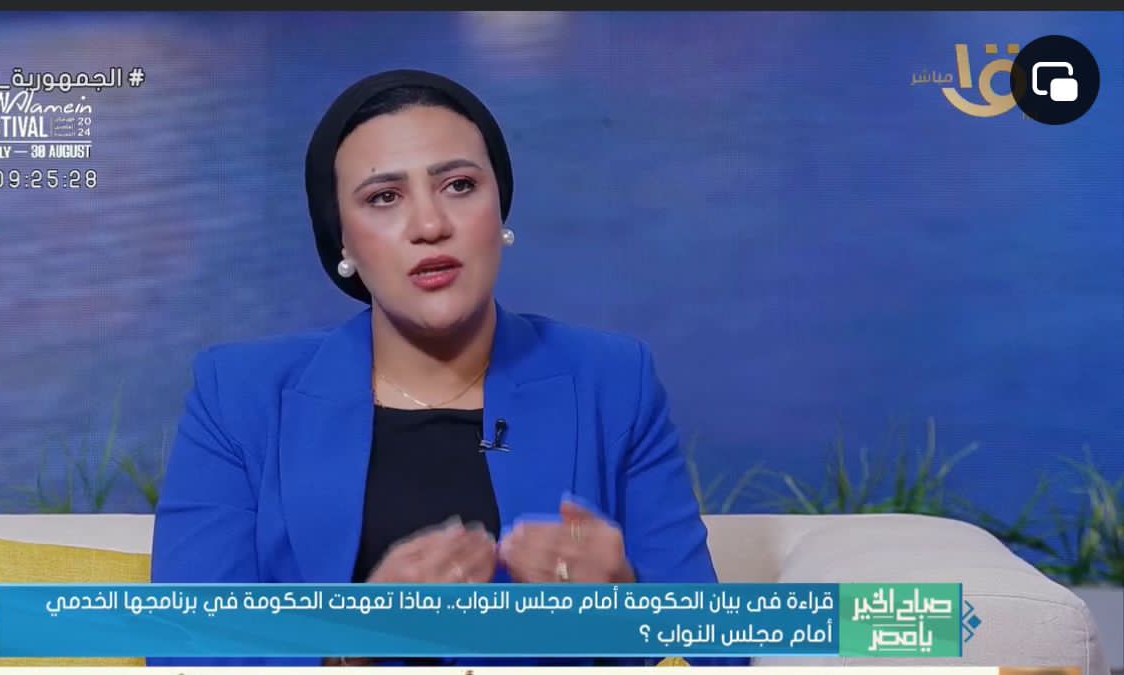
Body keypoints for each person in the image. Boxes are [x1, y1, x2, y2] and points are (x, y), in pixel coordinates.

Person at [149, 68, 741, 667]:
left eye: (459, 185)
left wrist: (629, 611)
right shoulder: (239, 397)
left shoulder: (613, 382)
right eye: (384, 197)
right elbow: (184, 656)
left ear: (499, 207)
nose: (431, 226)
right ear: (342, 240)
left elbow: (719, 655)